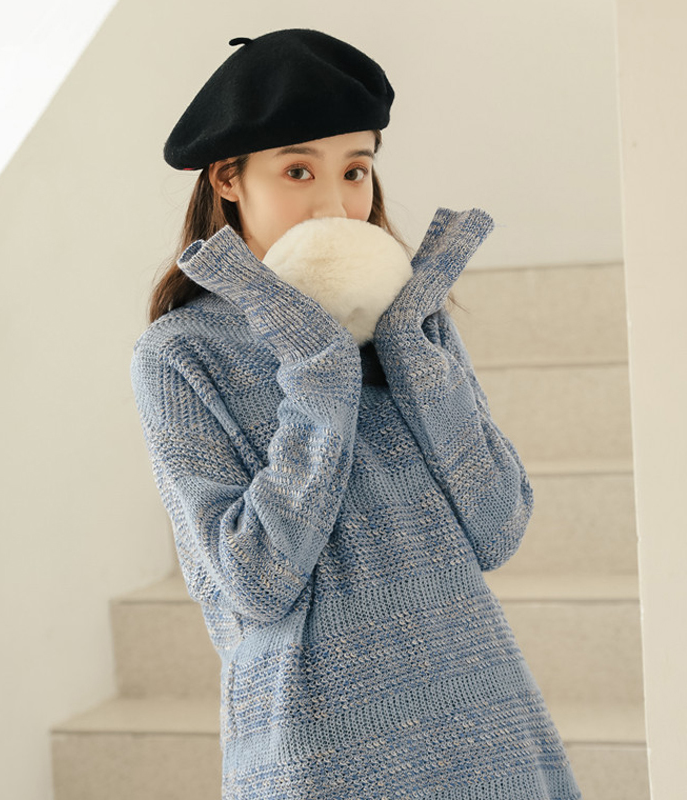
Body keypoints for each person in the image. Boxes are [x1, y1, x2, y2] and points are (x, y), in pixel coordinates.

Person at [130, 28, 583, 800]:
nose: (334, 205)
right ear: (229, 178)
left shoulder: (408, 323)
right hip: (322, 752)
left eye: (356, 171)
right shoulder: (181, 354)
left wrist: (409, 349)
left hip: (482, 724)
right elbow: (253, 584)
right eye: (297, 170)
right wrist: (319, 374)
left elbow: (499, 527)